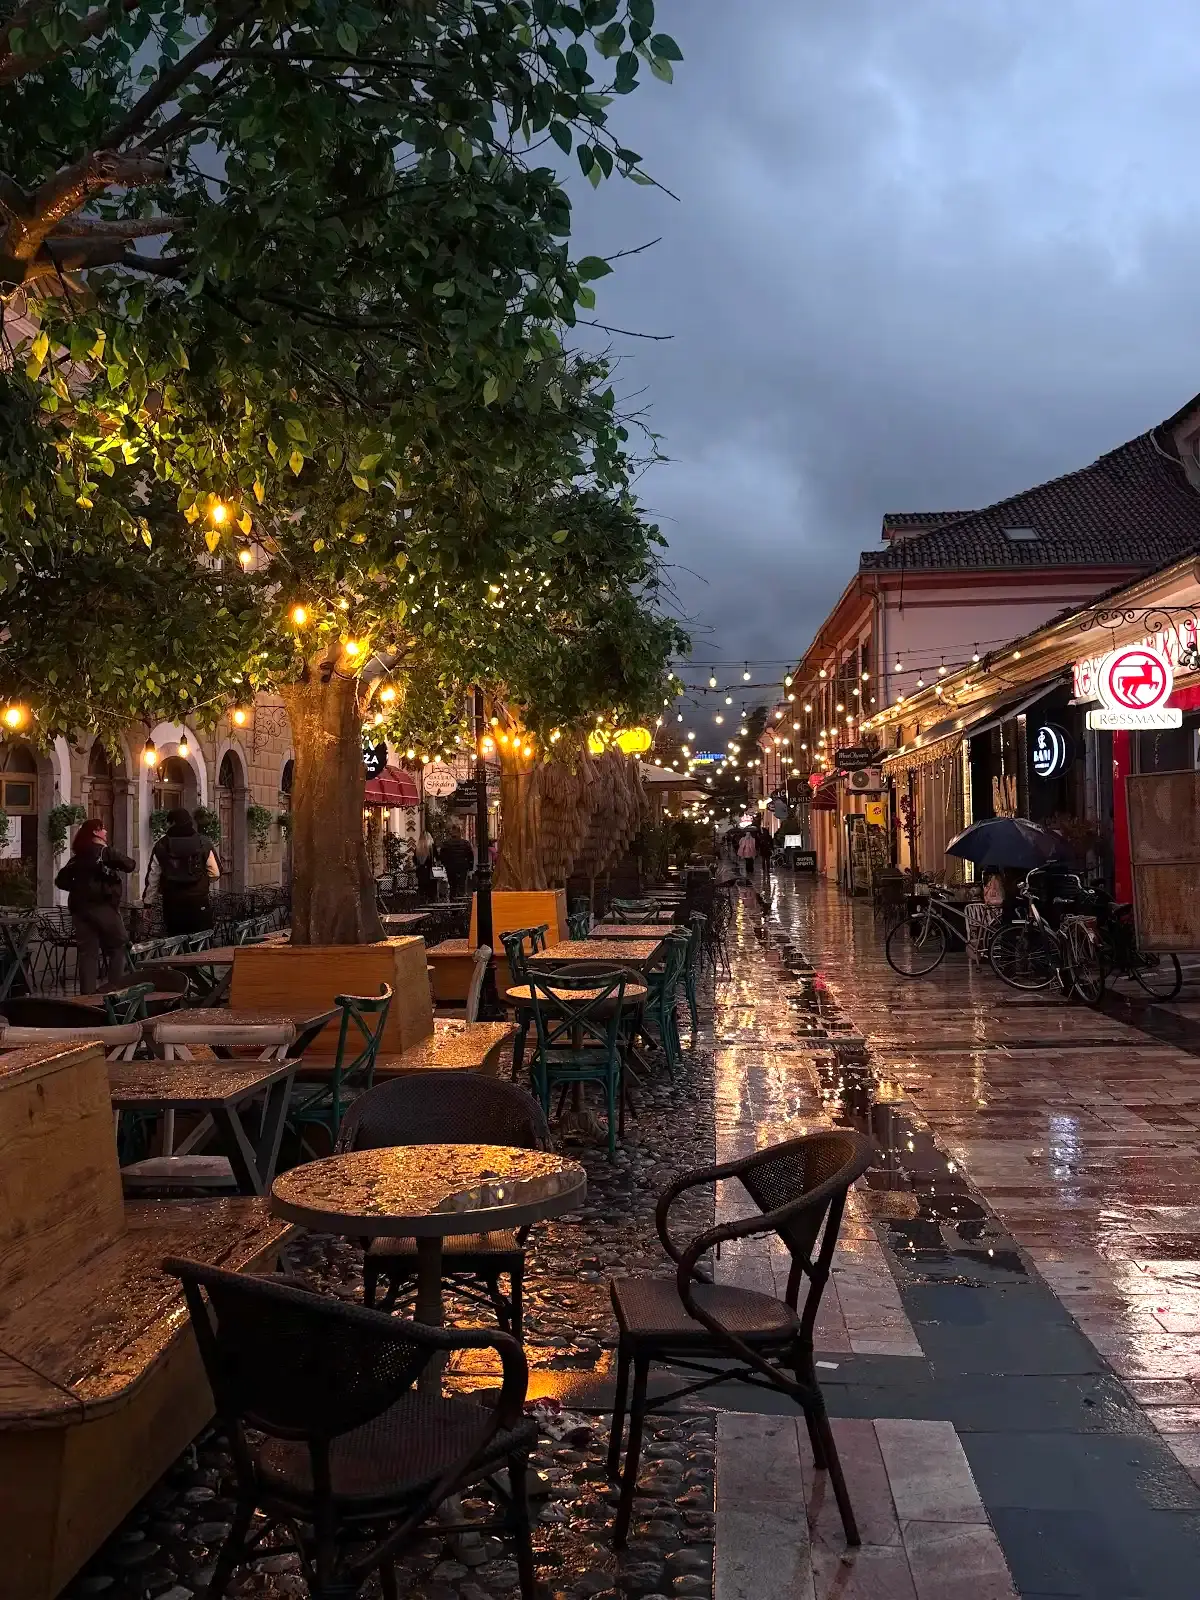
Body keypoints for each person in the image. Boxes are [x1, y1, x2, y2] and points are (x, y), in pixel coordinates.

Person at [55, 818, 135, 993]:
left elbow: (60, 881)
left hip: (79, 909)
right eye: (102, 828)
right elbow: (130, 864)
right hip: (102, 906)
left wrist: (79, 887)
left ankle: (87, 997)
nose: (105, 832)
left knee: (87, 953)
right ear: (95, 832)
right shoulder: (104, 852)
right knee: (120, 945)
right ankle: (114, 991)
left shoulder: (77, 857)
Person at [145, 807, 221, 934]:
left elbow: (153, 877)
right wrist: (202, 882)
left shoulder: (162, 844)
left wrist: (148, 902)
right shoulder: (203, 842)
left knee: (176, 938)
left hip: (172, 901)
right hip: (198, 900)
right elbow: (215, 873)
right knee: (201, 938)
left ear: (172, 823)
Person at [439, 823, 475, 900]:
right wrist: (470, 867)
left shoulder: (446, 844)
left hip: (451, 869)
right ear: (460, 832)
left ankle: (453, 902)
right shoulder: (466, 843)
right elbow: (470, 856)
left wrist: (446, 865)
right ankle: (461, 902)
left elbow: (442, 857)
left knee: (453, 887)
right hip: (463, 868)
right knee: (462, 886)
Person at [414, 831, 439, 903]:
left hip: (420, 872)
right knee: (432, 893)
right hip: (430, 873)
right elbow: (437, 858)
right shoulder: (432, 847)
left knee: (422, 892)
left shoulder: (417, 848)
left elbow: (415, 861)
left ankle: (423, 905)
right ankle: (432, 906)